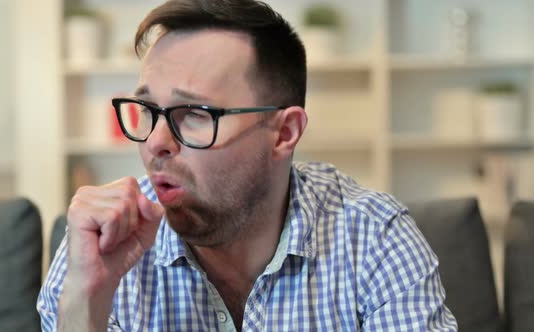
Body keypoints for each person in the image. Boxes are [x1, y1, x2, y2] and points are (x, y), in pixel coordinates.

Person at [38, 0, 458, 330]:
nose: (154, 143)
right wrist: (86, 304)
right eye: (148, 110)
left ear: (284, 133)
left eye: (195, 113)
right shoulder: (100, 250)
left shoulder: (372, 237)